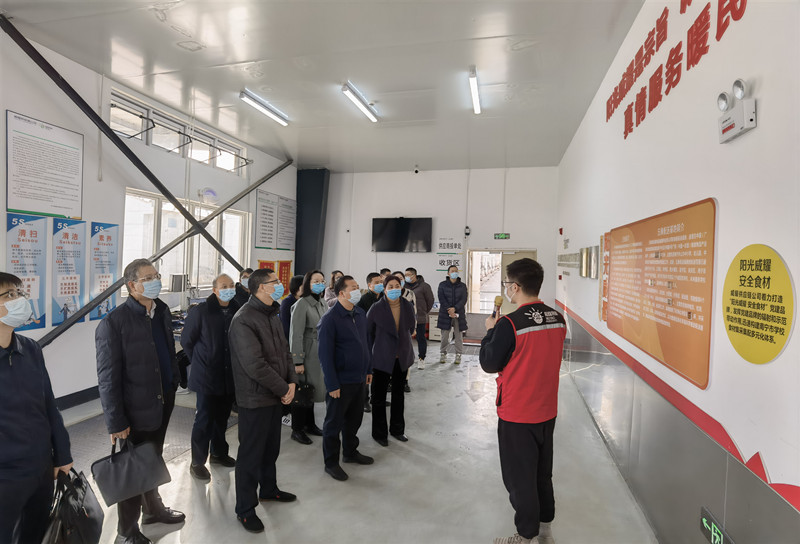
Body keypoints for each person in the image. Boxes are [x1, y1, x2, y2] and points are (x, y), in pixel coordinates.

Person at [96, 259, 185, 544]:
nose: (156, 280)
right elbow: (108, 378)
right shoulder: (114, 323)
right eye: (148, 277)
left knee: (152, 459)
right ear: (132, 285)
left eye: (157, 275)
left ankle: (153, 511)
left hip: (163, 399)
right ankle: (126, 532)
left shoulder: (160, 312)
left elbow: (168, 350)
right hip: (134, 409)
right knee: (133, 470)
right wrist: (115, 421)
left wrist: (173, 382)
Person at [479, 259, 566, 544]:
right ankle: (545, 530)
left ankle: (526, 535)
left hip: (518, 412)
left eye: (507, 284)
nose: (506, 289)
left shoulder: (509, 324)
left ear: (515, 287)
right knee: (542, 472)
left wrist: (490, 331)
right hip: (547, 409)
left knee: (520, 478)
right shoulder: (557, 318)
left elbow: (489, 363)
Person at [0, 273, 73, 544]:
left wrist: (62, 454)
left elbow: (49, 404)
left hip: (41, 467)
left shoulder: (30, 349)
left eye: (19, 293)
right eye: (9, 295)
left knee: (36, 533)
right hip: (5, 474)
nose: (19, 300)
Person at [229, 268, 299, 533]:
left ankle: (269, 489)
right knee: (250, 455)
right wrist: (283, 388)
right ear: (260, 287)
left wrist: (292, 382)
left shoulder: (272, 313)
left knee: (271, 449)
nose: (280, 285)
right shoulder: (244, 320)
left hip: (276, 394)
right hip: (255, 398)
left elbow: (285, 352)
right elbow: (254, 365)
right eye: (275, 282)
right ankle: (245, 509)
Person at [181, 273, 240, 482]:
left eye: (231, 285)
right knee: (204, 419)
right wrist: (200, 361)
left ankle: (218, 453)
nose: (228, 289)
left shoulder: (237, 310)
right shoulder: (201, 311)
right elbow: (187, 341)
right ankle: (197, 462)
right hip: (207, 375)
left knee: (222, 418)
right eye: (224, 286)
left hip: (228, 374)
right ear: (214, 290)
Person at [317, 275, 374, 481]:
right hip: (340, 382)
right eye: (353, 288)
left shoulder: (360, 313)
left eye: (358, 287)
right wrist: (332, 384)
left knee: (354, 419)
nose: (358, 290)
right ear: (341, 293)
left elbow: (366, 344)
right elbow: (324, 356)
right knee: (333, 424)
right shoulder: (330, 320)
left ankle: (350, 452)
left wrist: (369, 369)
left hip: (359, 378)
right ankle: (331, 463)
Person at [366, 275, 415, 446]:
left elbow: (411, 327)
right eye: (390, 286)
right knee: (378, 397)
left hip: (401, 357)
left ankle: (397, 430)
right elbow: (368, 333)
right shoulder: (376, 308)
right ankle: (379, 434)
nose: (394, 289)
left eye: (397, 286)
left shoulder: (407, 306)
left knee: (398, 395)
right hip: (382, 357)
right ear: (385, 289)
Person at [288, 270, 327, 444]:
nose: (320, 284)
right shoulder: (302, 304)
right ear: (307, 284)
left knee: (312, 391)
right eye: (315, 281)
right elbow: (295, 335)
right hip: (307, 352)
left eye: (322, 281)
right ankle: (297, 429)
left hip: (319, 351)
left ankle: (310, 424)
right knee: (303, 391)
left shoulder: (322, 302)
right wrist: (297, 361)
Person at [357, 272, 383, 412]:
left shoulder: (383, 297)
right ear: (369, 285)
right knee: (368, 369)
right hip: (368, 338)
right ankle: (364, 401)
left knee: (379, 370)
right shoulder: (365, 299)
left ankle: (376, 398)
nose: (380, 284)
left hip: (381, 338)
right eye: (377, 282)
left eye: (381, 282)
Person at [405, 267, 435, 370]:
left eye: (408, 275)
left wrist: (423, 311)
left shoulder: (424, 286)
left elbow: (430, 300)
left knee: (420, 338)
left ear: (414, 275)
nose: (406, 277)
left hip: (420, 317)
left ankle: (421, 358)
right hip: (407, 318)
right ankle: (407, 359)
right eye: (405, 275)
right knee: (406, 339)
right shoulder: (404, 286)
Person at [437, 264, 468, 364]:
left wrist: (455, 309)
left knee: (458, 336)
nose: (454, 273)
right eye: (452, 271)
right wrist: (449, 310)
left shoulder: (462, 286)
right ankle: (443, 353)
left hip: (459, 314)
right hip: (445, 314)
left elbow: (464, 299)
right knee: (445, 335)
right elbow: (441, 298)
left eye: (456, 271)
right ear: (448, 273)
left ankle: (458, 354)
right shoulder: (442, 285)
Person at [280, 275, 304, 340]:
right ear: (297, 287)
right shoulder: (287, 302)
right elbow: (285, 325)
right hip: (289, 338)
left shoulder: (304, 300)